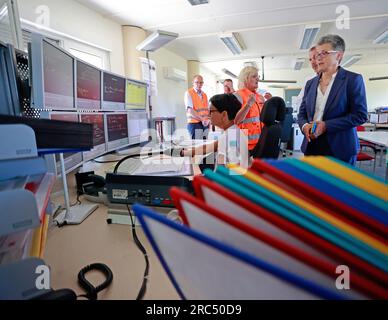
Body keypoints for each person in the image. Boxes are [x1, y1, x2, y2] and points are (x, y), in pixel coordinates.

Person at [297, 34, 368, 165]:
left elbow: (360, 115)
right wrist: (305, 126)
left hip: (340, 148)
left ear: (339, 55)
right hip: (312, 147)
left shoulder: (352, 80)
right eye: (317, 54)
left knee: (339, 185)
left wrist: (326, 126)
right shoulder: (310, 84)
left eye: (324, 53)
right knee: (313, 185)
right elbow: (301, 114)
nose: (318, 58)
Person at [181, 93, 249, 169]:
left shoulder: (228, 138)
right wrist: (186, 152)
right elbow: (210, 146)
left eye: (211, 111)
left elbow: (224, 175)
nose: (208, 115)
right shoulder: (234, 131)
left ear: (224, 114)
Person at [234, 66, 264, 155]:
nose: (257, 79)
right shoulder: (237, 95)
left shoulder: (259, 97)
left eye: (257, 76)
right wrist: (248, 105)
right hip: (244, 145)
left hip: (260, 143)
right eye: (254, 76)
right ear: (246, 79)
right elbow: (236, 120)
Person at [184, 75, 210, 140]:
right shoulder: (189, 93)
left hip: (204, 124)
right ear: (193, 82)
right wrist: (202, 119)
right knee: (196, 147)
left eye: (201, 82)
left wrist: (208, 120)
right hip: (194, 124)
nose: (199, 84)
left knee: (205, 146)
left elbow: (207, 109)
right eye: (197, 82)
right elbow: (190, 110)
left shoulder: (204, 95)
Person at [295, 46, 319, 113]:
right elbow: (300, 101)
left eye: (315, 58)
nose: (312, 62)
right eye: (310, 59)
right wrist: (304, 123)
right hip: (310, 121)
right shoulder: (308, 80)